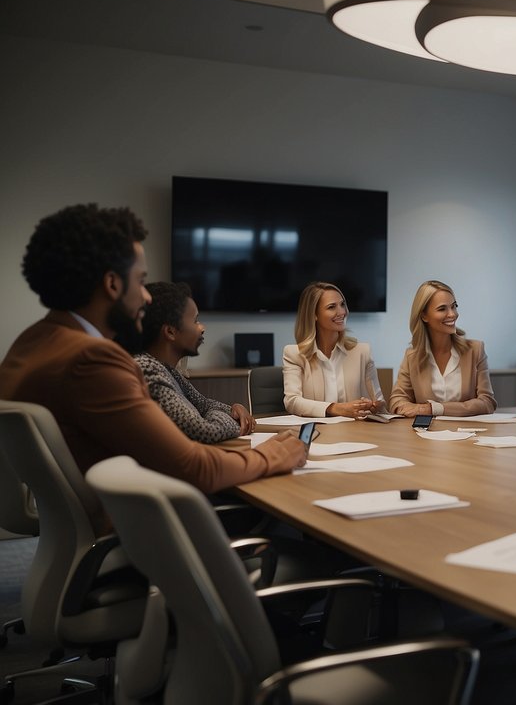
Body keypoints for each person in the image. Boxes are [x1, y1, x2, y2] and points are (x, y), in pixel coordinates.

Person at [0, 204, 306, 510]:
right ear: (112, 284)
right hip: (140, 532)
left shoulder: (31, 343)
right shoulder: (92, 360)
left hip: (101, 526)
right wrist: (273, 454)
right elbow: (196, 468)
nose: (147, 297)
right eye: (140, 280)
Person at [127, 281, 256, 443]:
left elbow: (204, 404)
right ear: (170, 332)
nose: (202, 328)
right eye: (195, 321)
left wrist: (234, 409)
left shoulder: (167, 369)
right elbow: (205, 431)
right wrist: (233, 420)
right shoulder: (147, 369)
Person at [389, 280, 497, 417]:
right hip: (425, 436)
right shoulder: (413, 356)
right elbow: (396, 401)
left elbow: (487, 402)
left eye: (454, 306)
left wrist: (432, 409)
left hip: (468, 435)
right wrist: (405, 407)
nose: (452, 314)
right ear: (424, 316)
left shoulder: (475, 350)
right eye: (442, 309)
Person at [282, 281, 385, 419]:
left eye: (342, 304)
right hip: (316, 433)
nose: (342, 312)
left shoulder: (362, 352)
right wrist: (336, 408)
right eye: (332, 307)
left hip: (356, 433)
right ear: (314, 314)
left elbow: (380, 404)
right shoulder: (294, 354)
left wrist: (374, 406)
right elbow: (292, 402)